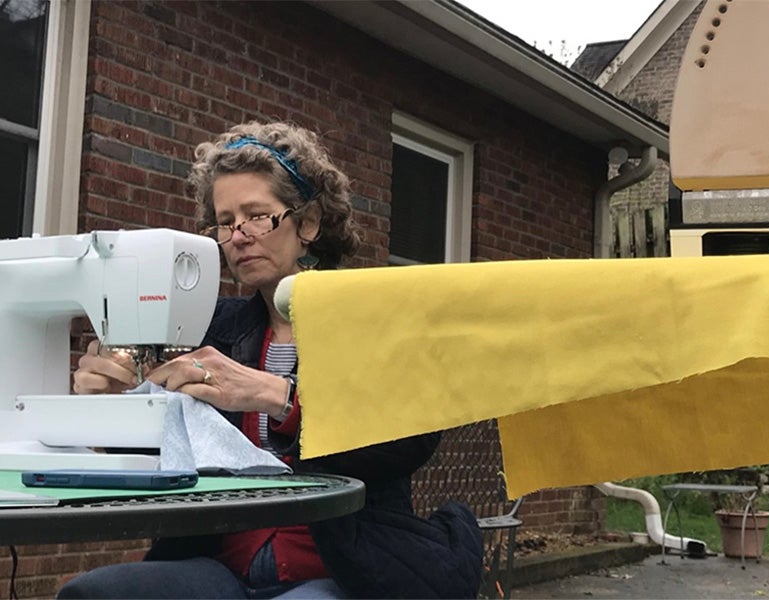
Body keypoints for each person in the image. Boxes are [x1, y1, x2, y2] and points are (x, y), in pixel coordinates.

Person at [60, 121, 483, 599]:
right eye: (225, 221)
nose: (238, 236)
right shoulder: (213, 326)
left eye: (258, 215)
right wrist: (109, 405)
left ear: (308, 223)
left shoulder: (375, 319)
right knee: (91, 595)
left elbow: (411, 441)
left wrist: (276, 396)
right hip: (221, 564)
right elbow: (166, 447)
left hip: (340, 567)